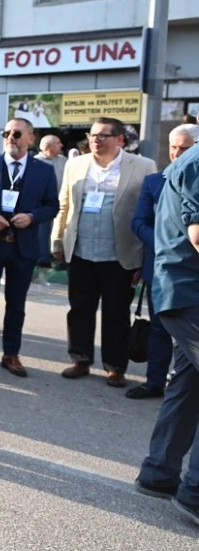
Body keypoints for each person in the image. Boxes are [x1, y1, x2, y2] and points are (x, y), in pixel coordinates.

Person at [53, 118, 157, 387]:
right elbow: (64, 205)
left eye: (103, 136)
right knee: (80, 310)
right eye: (93, 135)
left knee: (116, 313)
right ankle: (80, 359)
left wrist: (146, 252)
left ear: (120, 139)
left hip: (119, 254)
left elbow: (150, 212)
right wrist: (57, 241)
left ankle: (115, 366)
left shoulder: (143, 166)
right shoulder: (75, 165)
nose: (96, 140)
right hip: (81, 251)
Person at [132, 141, 199, 529]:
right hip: (188, 293)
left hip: (184, 292)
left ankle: (158, 474)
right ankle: (195, 493)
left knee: (189, 384)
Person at [0, 119, 60, 376]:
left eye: (16, 133)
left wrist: (32, 217)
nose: (10, 138)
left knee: (16, 304)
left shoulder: (44, 171)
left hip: (22, 247)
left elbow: (52, 205)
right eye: (6, 133)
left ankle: (11, 354)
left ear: (30, 138)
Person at [128, 125, 199, 398]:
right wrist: (167, 243)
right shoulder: (156, 180)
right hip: (165, 269)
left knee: (185, 369)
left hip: (184, 271)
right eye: (173, 147)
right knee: (158, 328)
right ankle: (154, 381)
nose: (177, 152)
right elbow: (139, 222)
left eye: (184, 147)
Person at [35, 134, 67, 265]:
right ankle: (43, 257)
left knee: (59, 229)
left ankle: (57, 255)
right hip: (42, 204)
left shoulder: (64, 160)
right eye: (58, 143)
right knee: (43, 230)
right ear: (49, 146)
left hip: (62, 202)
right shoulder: (35, 161)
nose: (61, 145)